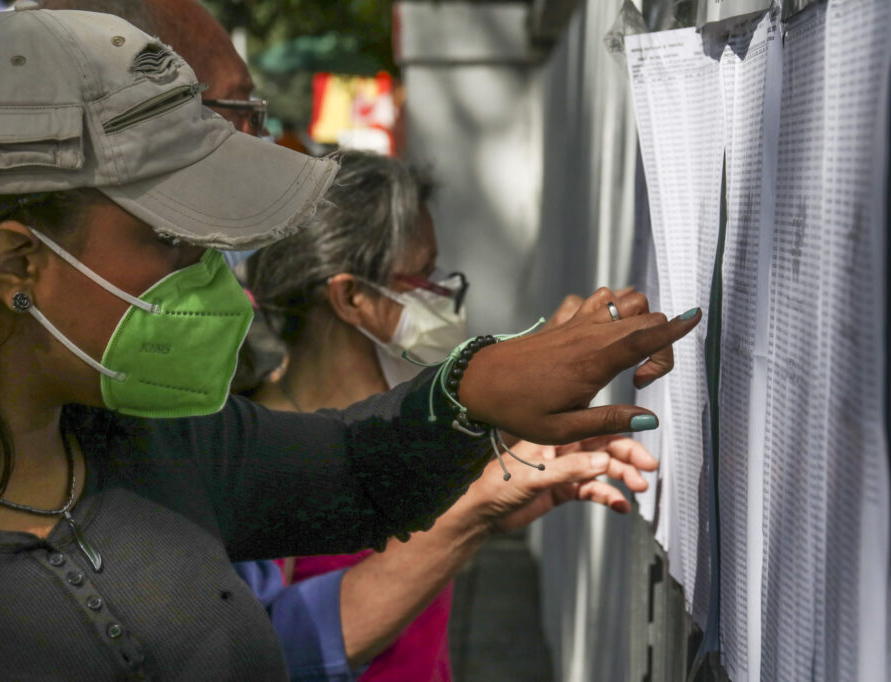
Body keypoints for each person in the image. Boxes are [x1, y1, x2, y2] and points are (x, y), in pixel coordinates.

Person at [0, 6, 700, 680]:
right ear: (19, 264)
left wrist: (474, 386)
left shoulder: (154, 447)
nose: (213, 276)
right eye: (174, 237)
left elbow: (354, 468)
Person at [236, 150, 664, 681]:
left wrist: (498, 485)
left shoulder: (396, 432)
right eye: (423, 275)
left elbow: (412, 536)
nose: (447, 293)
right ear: (353, 298)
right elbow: (275, 646)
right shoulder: (251, 463)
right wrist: (474, 511)